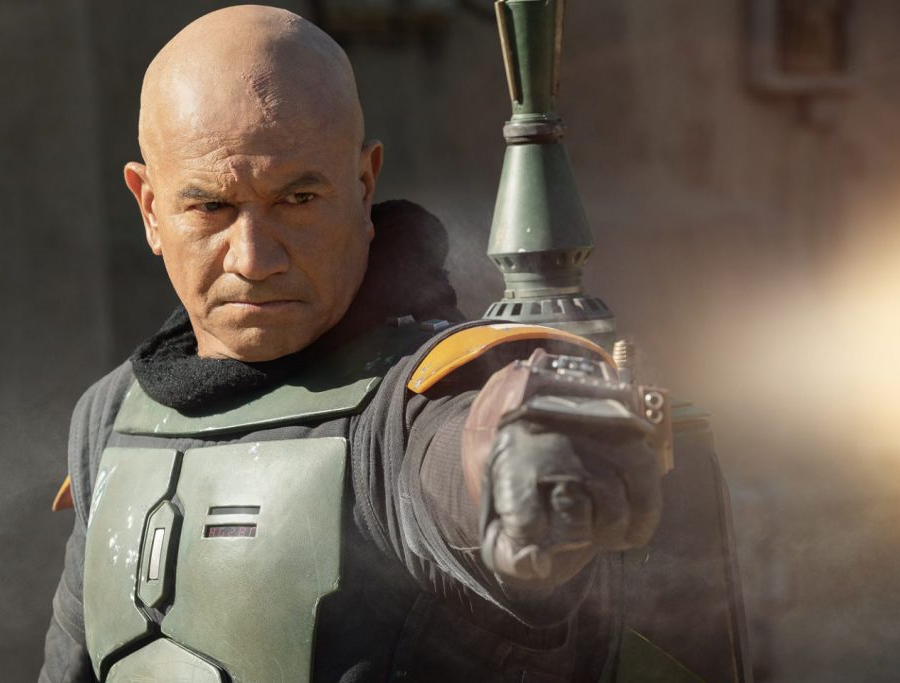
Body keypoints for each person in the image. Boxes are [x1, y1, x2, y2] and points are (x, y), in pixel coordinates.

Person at [39, 6, 666, 682]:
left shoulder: (412, 408)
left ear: (363, 188)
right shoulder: (112, 416)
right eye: (211, 207)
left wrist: (511, 454)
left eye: (298, 199)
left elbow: (456, 458)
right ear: (149, 208)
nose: (253, 259)